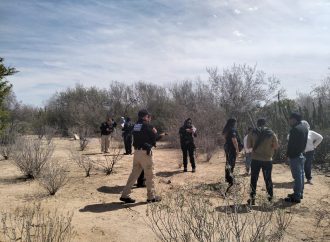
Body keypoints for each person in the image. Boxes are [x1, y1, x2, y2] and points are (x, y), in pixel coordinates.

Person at [120, 109, 161, 203]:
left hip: (137, 153)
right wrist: (159, 134)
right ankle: (151, 197)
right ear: (145, 116)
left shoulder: (135, 125)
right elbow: (155, 138)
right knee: (150, 175)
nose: (149, 118)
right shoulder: (148, 126)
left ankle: (125, 195)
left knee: (134, 175)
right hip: (145, 154)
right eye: (148, 116)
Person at [247, 119, 279, 205]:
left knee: (253, 179)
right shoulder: (271, 133)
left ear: (257, 124)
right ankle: (270, 199)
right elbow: (276, 146)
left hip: (255, 160)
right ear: (265, 124)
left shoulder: (252, 132)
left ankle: (252, 199)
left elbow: (248, 146)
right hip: (267, 160)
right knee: (268, 179)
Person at [285, 113, 308, 203]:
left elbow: (291, 144)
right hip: (301, 154)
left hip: (294, 156)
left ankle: (296, 196)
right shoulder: (304, 128)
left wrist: (287, 155)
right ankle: (299, 193)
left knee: (297, 176)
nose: (289, 121)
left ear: (294, 119)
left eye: (289, 119)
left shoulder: (294, 129)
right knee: (301, 175)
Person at [301, 120, 323, 184]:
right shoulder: (297, 132)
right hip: (300, 152)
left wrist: (314, 145)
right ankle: (299, 179)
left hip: (310, 151)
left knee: (308, 165)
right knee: (300, 165)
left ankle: (308, 178)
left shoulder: (311, 133)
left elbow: (320, 137)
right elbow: (289, 137)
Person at [222, 118, 242, 189]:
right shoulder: (232, 130)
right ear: (233, 123)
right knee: (231, 164)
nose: (235, 124)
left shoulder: (226, 129)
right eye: (235, 122)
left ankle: (227, 179)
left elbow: (225, 138)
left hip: (227, 147)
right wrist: (237, 150)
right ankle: (230, 181)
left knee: (228, 163)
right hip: (232, 149)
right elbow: (234, 140)